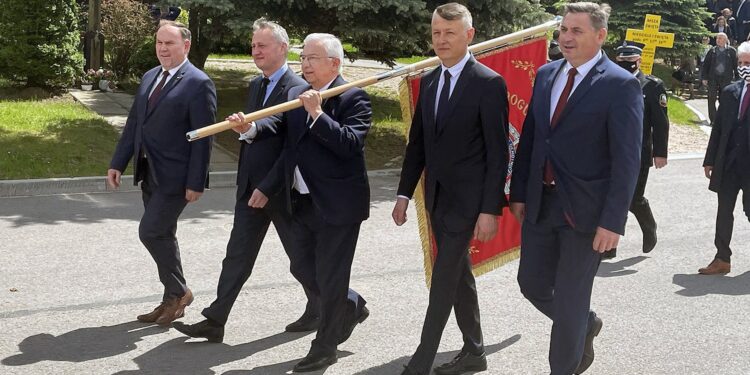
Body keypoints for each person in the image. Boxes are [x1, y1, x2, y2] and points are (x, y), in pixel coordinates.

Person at [509, 3, 642, 374]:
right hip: (541, 203)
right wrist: (519, 192)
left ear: (600, 36)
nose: (565, 37)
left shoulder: (620, 84)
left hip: (587, 213)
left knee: (569, 300)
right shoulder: (547, 74)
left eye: (576, 31)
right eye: (563, 29)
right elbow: (532, 140)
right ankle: (585, 323)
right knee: (531, 284)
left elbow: (626, 160)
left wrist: (613, 221)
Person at [171, 18, 319, 343]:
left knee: (303, 260)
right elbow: (256, 131)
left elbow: (281, 132)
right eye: (253, 46)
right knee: (237, 255)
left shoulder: (298, 88)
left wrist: (250, 131)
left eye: (262, 45)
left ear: (282, 48)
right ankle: (215, 321)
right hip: (250, 188)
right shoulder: (256, 85)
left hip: (281, 191)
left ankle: (347, 305)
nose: (256, 51)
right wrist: (247, 131)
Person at [393, 3, 509, 375]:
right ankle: (475, 352)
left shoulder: (488, 83)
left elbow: (498, 152)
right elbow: (418, 146)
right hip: (437, 200)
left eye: (450, 33)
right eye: (437, 33)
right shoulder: (428, 82)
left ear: (469, 36)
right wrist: (403, 195)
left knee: (443, 279)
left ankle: (422, 360)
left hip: (470, 204)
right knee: (458, 276)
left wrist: (490, 208)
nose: (441, 40)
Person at [248, 33, 371, 372]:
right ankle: (351, 305)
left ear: (334, 63)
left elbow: (349, 144)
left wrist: (318, 113)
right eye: (303, 58)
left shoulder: (353, 97)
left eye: (312, 58)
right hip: (301, 201)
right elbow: (288, 147)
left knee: (331, 277)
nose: (304, 64)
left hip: (339, 205)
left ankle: (324, 346)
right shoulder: (294, 94)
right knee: (302, 266)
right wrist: (250, 130)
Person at [107, 20, 216, 326]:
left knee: (151, 231)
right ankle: (171, 299)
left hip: (177, 177)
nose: (163, 49)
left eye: (169, 43)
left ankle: (180, 292)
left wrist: (197, 181)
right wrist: (119, 162)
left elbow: (204, 137)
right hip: (149, 171)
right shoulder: (150, 76)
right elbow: (134, 124)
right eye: (159, 43)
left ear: (186, 46)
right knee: (164, 235)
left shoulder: (198, 83)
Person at [603, 41, 670, 259]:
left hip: (638, 153)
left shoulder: (651, 86)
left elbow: (661, 122)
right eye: (622, 61)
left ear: (639, 61)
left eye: (630, 62)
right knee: (609, 198)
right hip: (609, 151)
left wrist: (660, 152)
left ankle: (649, 225)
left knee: (633, 198)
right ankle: (609, 247)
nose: (626, 65)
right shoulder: (608, 82)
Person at [700, 41, 750, 275]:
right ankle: (722, 258)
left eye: (748, 63)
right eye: (740, 63)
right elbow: (718, 129)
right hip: (729, 164)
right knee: (724, 211)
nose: (743, 67)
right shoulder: (730, 92)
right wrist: (710, 160)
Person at [702, 33, 738, 125]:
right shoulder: (712, 51)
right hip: (713, 78)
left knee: (724, 99)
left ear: (725, 40)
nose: (718, 40)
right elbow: (705, 65)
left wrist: (738, 79)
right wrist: (704, 77)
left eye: (720, 38)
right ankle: (713, 120)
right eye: (717, 38)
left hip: (726, 78)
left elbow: (736, 66)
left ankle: (722, 119)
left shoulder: (731, 51)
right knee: (711, 98)